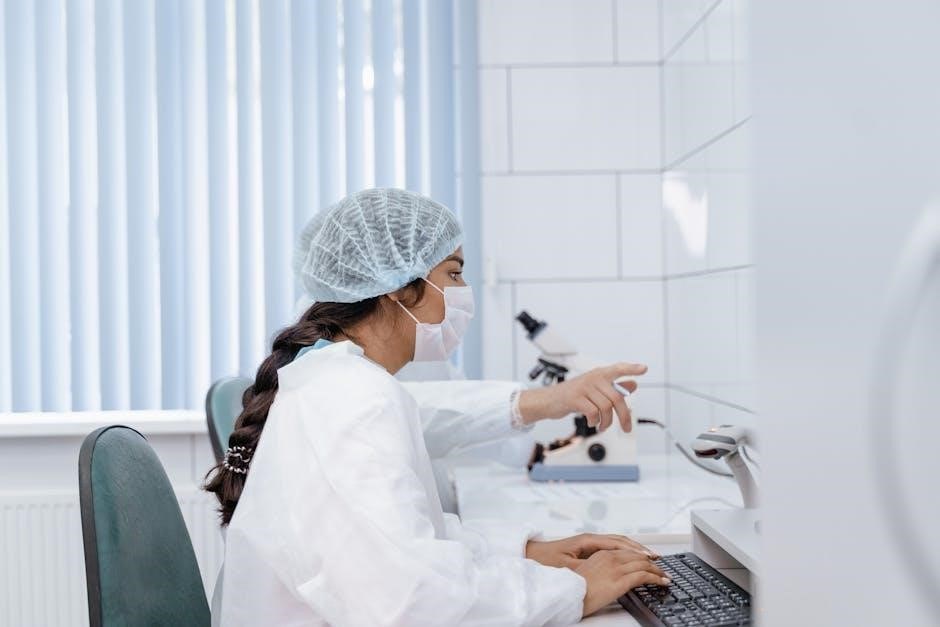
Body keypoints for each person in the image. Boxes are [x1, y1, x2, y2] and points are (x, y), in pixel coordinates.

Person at [205, 188, 669, 626]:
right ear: (396, 286)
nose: (463, 292)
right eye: (453, 273)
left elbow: (410, 540)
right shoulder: (352, 399)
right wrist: (573, 591)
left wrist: (525, 552)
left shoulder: (341, 382)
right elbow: (409, 599)